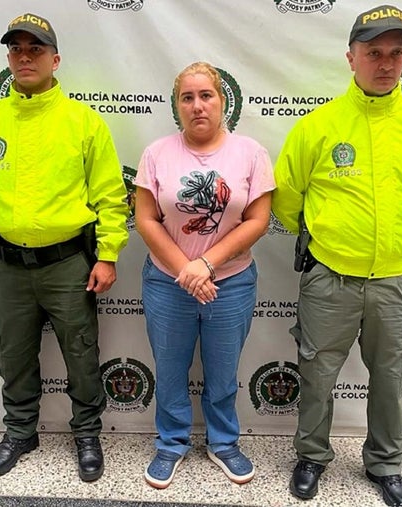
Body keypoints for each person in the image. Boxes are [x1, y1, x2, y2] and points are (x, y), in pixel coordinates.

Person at [272, 5, 402, 506]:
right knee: (317, 375)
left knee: (391, 379)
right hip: (330, 278)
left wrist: (395, 240)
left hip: (396, 281)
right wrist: (331, 236)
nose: (386, 63)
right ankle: (311, 457)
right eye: (374, 52)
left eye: (396, 53)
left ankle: (386, 465)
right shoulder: (318, 127)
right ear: (351, 57)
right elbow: (287, 199)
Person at [0, 12, 129, 482]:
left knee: (81, 354)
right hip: (10, 267)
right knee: (13, 355)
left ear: (55, 59)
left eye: (36, 49)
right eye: (16, 49)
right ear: (8, 58)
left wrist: (108, 254)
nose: (25, 57)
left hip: (68, 264)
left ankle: (87, 433)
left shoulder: (83, 122)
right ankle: (20, 432)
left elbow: (110, 197)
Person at [134, 61, 275, 489]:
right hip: (168, 282)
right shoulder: (156, 154)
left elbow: (258, 220)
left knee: (223, 370)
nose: (197, 105)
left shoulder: (251, 153)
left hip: (230, 283)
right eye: (187, 97)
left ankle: (223, 442)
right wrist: (186, 270)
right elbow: (146, 219)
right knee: (170, 369)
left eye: (206, 95)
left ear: (222, 101)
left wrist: (206, 264)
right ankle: (171, 443)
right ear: (177, 106)